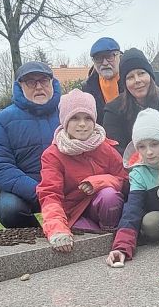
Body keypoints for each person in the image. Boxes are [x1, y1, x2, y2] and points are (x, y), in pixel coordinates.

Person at [36, 89, 127, 252]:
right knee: (85, 235)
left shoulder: (105, 148)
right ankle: (101, 239)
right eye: (75, 118)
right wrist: (57, 229)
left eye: (87, 118)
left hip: (101, 207)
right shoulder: (52, 155)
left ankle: (111, 234)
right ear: (65, 121)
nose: (82, 124)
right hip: (73, 213)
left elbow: (124, 179)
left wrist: (99, 181)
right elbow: (50, 195)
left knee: (109, 195)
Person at [107, 109, 159, 266]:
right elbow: (132, 209)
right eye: (141, 146)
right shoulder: (139, 173)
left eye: (154, 144)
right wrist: (121, 247)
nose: (149, 152)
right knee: (150, 223)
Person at [0, 61, 62, 228]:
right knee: (9, 208)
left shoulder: (69, 112)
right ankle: (36, 240)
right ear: (20, 86)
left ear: (52, 83)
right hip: (28, 190)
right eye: (31, 82)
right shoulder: (4, 119)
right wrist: (38, 191)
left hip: (66, 185)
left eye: (44, 81)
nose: (39, 87)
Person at [101, 48, 159, 153]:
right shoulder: (113, 110)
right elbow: (115, 151)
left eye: (141, 73)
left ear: (150, 75)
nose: (137, 80)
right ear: (125, 84)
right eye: (130, 77)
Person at [81, 37, 122, 122]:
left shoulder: (132, 82)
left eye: (109, 57)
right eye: (98, 59)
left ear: (119, 56)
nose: (105, 63)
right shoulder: (87, 89)